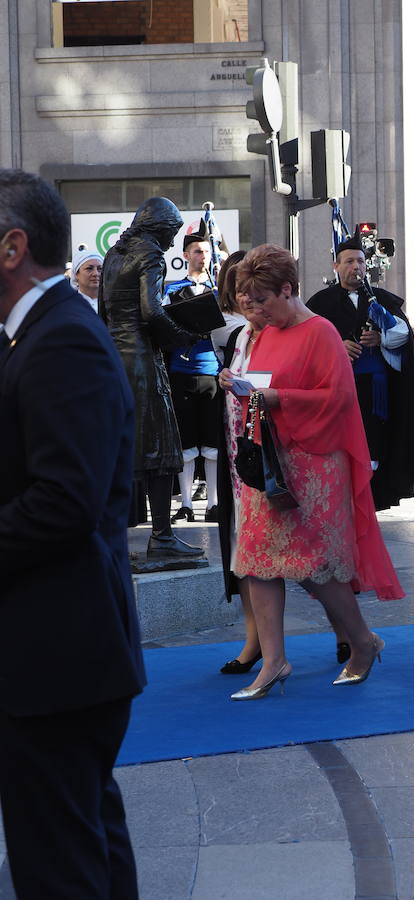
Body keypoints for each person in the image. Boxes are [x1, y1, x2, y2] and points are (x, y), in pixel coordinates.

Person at [0, 168, 145, 898]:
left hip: (56, 659)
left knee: (60, 869)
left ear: (11, 247)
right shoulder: (35, 334)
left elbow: (63, 503)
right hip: (53, 655)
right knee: (85, 849)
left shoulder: (61, 341)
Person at [220, 244, 404, 701]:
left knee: (318, 567)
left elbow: (341, 401)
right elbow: (261, 386)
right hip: (270, 460)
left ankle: (362, 641)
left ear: (288, 289)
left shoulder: (320, 332)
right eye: (250, 300)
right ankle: (275, 660)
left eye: (262, 299)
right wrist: (238, 386)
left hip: (315, 463)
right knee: (257, 562)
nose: (255, 310)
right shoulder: (263, 333)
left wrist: (282, 398)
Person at [100, 196, 204, 559]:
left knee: (124, 449)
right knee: (161, 446)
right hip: (142, 361)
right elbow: (152, 312)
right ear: (159, 228)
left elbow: (104, 315)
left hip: (115, 361)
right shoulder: (150, 254)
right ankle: (161, 537)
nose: (173, 242)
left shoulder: (114, 254)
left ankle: (112, 537)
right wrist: (184, 336)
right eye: (172, 234)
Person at [306, 235, 414, 511]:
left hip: (376, 394)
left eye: (361, 261)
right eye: (350, 261)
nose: (357, 266)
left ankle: (369, 501)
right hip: (336, 391)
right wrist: (337, 346)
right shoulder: (319, 304)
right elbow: (305, 344)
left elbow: (405, 340)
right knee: (341, 446)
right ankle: (342, 500)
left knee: (374, 443)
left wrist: (382, 338)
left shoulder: (382, 300)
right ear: (336, 266)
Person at [215, 258, 265, 675]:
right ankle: (257, 642)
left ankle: (349, 632)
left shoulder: (298, 330)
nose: (246, 295)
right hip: (240, 455)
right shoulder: (239, 336)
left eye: (254, 286)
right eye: (239, 286)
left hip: (277, 455)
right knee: (243, 550)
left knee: (304, 556)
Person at [165, 233, 223, 523]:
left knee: (212, 444)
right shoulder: (173, 290)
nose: (202, 256)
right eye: (197, 251)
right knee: (186, 444)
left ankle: (213, 503)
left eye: (206, 251)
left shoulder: (218, 291)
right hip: (181, 373)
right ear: (186, 255)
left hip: (211, 372)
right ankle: (186, 503)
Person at [70, 243, 103, 311]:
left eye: (99, 269)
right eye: (89, 268)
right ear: (76, 274)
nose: (96, 273)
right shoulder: (69, 305)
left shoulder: (111, 303)